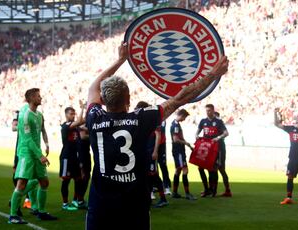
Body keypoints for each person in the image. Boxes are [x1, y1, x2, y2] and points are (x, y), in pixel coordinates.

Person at [85, 41, 229, 230]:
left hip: (101, 206)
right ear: (128, 99)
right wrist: (212, 75)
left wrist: (120, 60)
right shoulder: (142, 118)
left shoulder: (94, 118)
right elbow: (180, 98)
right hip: (135, 206)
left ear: (103, 100)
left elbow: (92, 88)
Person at [8, 88, 57, 224]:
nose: (40, 98)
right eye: (38, 96)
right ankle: (13, 216)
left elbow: (42, 130)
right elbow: (28, 139)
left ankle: (41, 211)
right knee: (22, 183)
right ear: (31, 99)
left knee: (44, 182)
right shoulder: (25, 116)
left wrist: (46, 144)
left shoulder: (39, 115)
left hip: (37, 152)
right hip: (26, 153)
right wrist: (40, 155)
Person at [136, 101, 168, 208]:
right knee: (148, 176)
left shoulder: (152, 121)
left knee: (153, 175)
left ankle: (163, 199)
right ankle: (148, 199)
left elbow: (158, 135)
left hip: (151, 152)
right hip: (146, 153)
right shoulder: (144, 121)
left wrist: (155, 151)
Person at [195, 104, 229, 197]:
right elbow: (197, 131)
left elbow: (226, 133)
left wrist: (218, 138)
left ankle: (216, 190)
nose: (208, 112)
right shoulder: (203, 121)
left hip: (217, 148)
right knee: (201, 168)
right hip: (207, 148)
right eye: (206, 110)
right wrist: (196, 135)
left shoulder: (218, 121)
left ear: (213, 110)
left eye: (209, 110)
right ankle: (207, 189)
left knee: (216, 169)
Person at [59, 104, 85, 211]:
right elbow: (80, 121)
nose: (73, 115)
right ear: (66, 115)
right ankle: (65, 203)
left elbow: (82, 121)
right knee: (66, 180)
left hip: (75, 157)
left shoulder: (75, 127)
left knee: (78, 179)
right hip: (67, 157)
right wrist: (83, 108)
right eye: (71, 113)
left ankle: (75, 200)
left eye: (74, 113)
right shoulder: (66, 126)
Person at [170, 109, 196, 200]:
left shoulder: (175, 124)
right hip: (179, 151)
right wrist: (185, 143)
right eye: (184, 117)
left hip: (178, 151)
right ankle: (187, 194)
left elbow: (180, 138)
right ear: (181, 115)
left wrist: (188, 144)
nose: (184, 119)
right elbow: (175, 139)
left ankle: (174, 192)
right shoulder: (175, 125)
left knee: (178, 170)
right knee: (185, 170)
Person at [76, 123, 91, 209]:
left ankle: (79, 199)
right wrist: (93, 134)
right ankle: (79, 200)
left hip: (85, 154)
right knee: (84, 177)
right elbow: (83, 137)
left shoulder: (83, 126)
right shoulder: (81, 126)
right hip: (82, 156)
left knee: (86, 177)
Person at [157, 120, 172, 195]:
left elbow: (161, 130)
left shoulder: (162, 119)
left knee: (163, 166)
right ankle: (154, 187)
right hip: (152, 144)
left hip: (161, 145)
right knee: (153, 168)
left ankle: (167, 187)